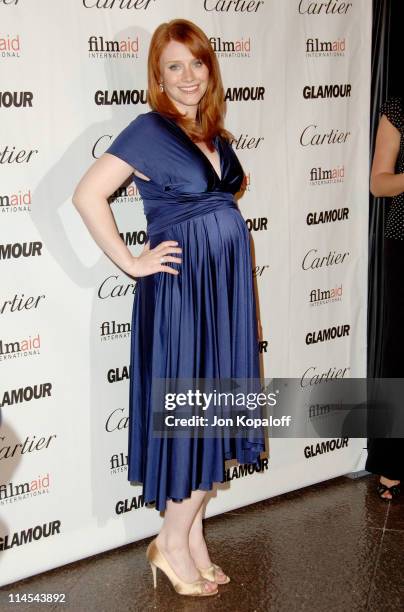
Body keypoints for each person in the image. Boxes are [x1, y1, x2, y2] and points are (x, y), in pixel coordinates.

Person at [73, 18, 265, 597]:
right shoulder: (147, 130)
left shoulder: (215, 134)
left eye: (196, 62)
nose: (187, 76)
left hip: (224, 292)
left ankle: (193, 539)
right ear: (157, 76)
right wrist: (131, 262)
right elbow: (87, 195)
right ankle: (169, 542)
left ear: (210, 67)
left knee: (218, 414)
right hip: (183, 296)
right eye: (173, 66)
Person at [368, 96, 404, 501]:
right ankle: (393, 462)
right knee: (401, 349)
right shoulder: (398, 108)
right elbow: (379, 183)